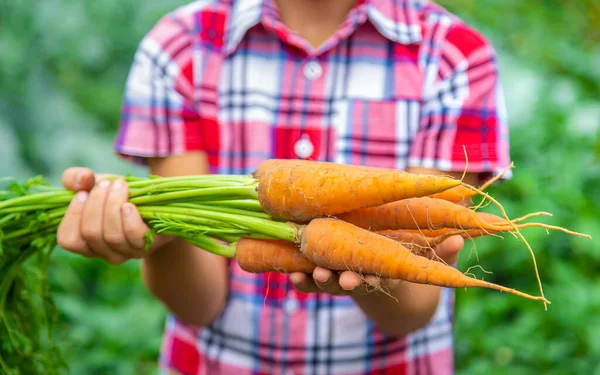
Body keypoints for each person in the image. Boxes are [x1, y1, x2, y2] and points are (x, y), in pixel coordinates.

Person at [57, 0, 510, 374]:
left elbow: (413, 308)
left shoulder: (453, 57)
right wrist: (159, 237)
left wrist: (365, 273)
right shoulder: (179, 48)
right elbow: (197, 305)